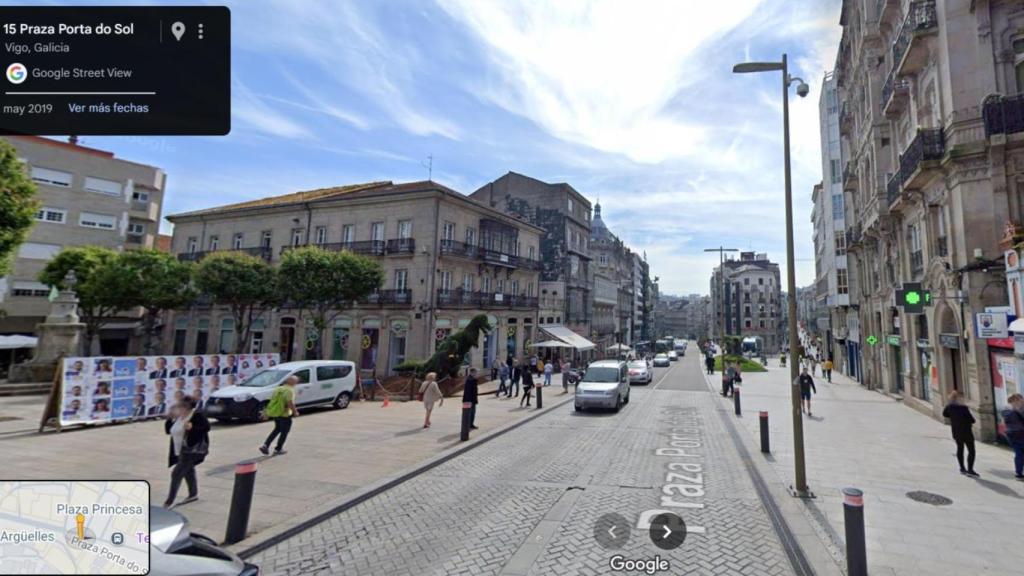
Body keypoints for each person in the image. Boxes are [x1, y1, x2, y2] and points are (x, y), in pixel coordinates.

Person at [163, 396, 210, 509]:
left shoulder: (196, 415)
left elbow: (206, 427)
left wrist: (192, 428)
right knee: (188, 471)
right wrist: (170, 418)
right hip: (179, 450)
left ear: (188, 407)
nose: (178, 408)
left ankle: (169, 501)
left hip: (191, 451)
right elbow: (168, 430)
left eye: (181, 406)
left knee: (176, 473)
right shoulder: (179, 416)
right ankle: (193, 494)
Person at [942, 391, 978, 477]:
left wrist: (953, 418)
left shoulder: (949, 407)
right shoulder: (963, 408)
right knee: (971, 450)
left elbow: (944, 414)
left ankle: (962, 468)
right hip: (966, 431)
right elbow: (972, 420)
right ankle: (970, 469)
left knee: (960, 448)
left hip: (956, 431)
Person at [260, 376, 299, 455]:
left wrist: (267, 412)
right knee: (284, 432)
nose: (296, 383)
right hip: (284, 414)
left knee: (277, 429)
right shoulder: (289, 390)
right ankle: (278, 449)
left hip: (275, 412)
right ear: (292, 382)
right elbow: (289, 403)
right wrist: (295, 412)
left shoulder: (278, 388)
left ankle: (265, 445)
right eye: (296, 382)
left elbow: (273, 400)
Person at [1001, 393, 1024, 479]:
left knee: (1019, 453)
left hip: (1012, 434)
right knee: (1019, 454)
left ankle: (1019, 472)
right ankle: (1018, 473)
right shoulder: (1011, 411)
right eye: (1020, 400)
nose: (1022, 401)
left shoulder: (1005, 410)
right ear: (1015, 401)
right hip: (1017, 434)